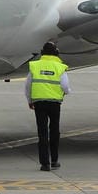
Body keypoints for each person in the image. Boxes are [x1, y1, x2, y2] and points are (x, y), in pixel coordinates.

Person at [25, 41, 70, 172]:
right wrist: (65, 93)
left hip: (39, 102)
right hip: (55, 103)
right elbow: (65, 86)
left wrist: (30, 100)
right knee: (54, 131)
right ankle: (54, 160)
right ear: (56, 53)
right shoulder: (60, 67)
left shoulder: (34, 66)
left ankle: (45, 163)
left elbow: (28, 86)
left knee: (42, 133)